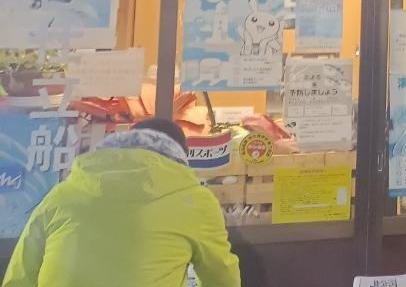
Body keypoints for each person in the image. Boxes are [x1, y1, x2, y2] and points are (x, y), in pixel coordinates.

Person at [2, 118, 241, 287]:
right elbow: (221, 277)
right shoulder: (195, 201)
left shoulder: (62, 194)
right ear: (180, 156)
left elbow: (20, 275)